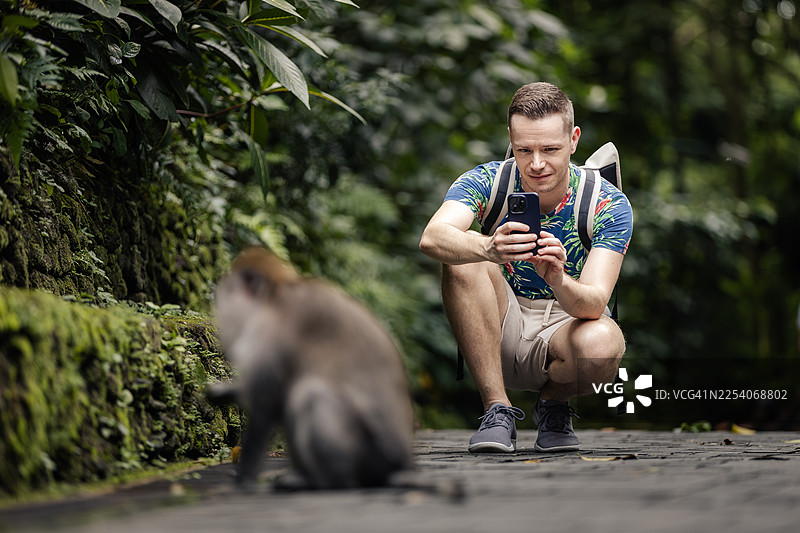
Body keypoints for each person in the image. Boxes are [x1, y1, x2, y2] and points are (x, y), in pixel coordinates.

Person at [419, 82, 633, 453]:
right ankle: (497, 409)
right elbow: (432, 236)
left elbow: (594, 304)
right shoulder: (487, 181)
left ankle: (553, 406)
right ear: (510, 139)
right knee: (463, 259)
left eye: (549, 149)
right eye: (524, 150)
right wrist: (487, 247)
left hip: (566, 323)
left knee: (604, 342)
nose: (536, 164)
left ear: (573, 140)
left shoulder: (606, 202)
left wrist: (558, 278)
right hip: (499, 320)